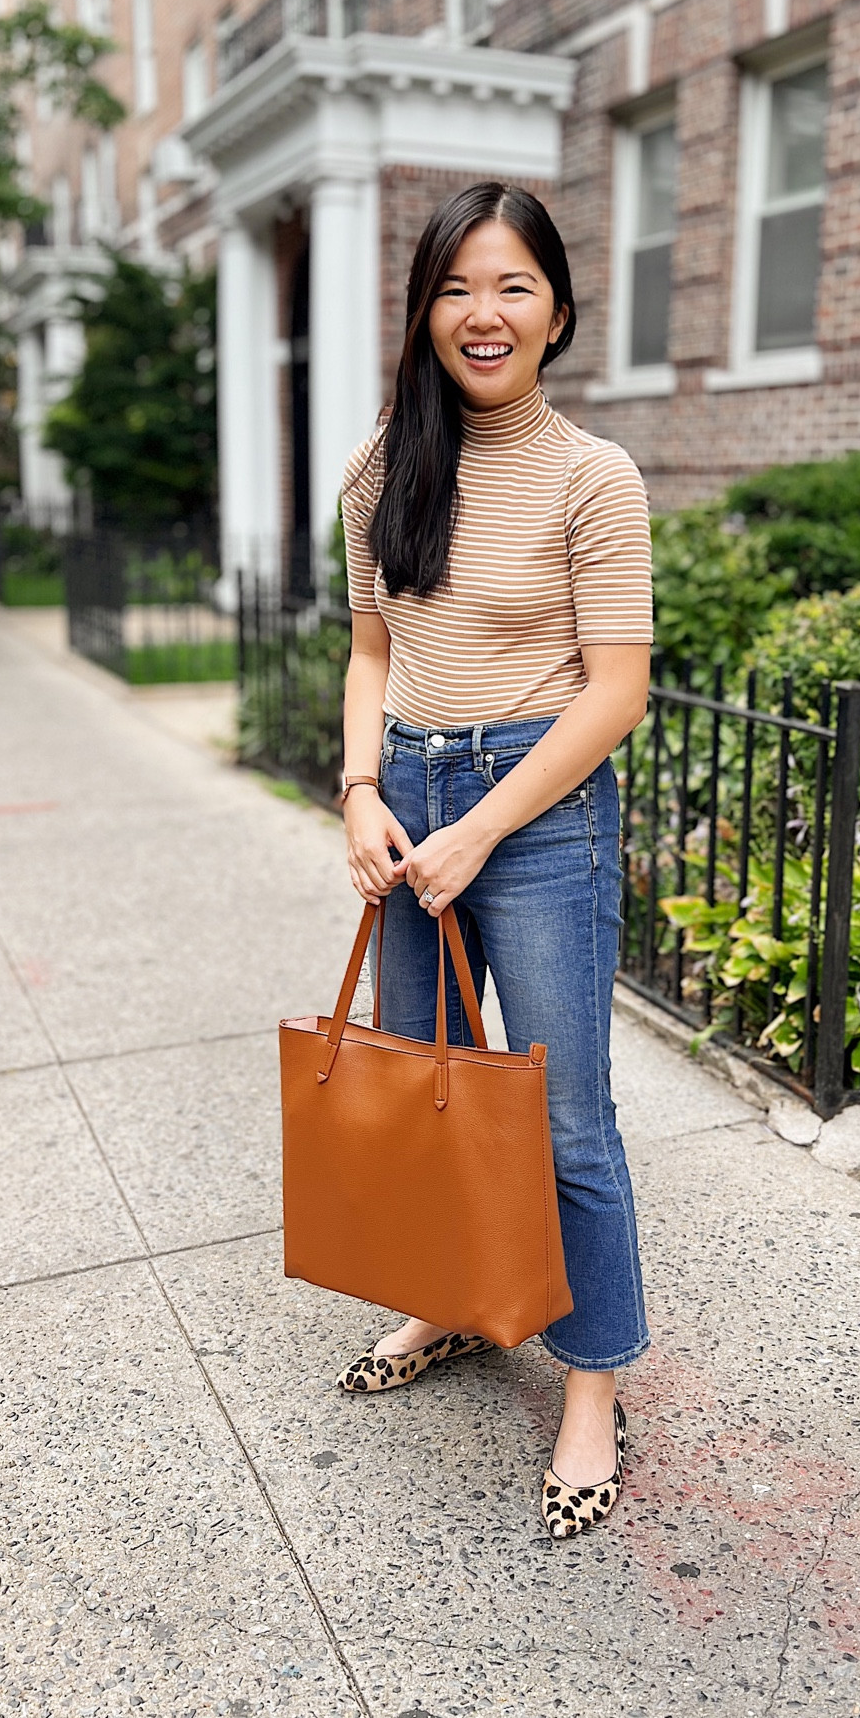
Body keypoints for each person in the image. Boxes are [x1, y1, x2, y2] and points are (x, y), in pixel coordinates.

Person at [337, 182, 654, 1540]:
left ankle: (594, 1383)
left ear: (558, 313)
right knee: (433, 1085)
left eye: (514, 285)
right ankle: (461, 1302)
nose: (485, 312)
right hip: (406, 798)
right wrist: (361, 791)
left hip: (539, 813)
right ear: (424, 311)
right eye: (458, 286)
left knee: (564, 1114)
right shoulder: (378, 471)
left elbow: (615, 689)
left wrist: (483, 826)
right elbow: (370, 654)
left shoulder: (596, 476)